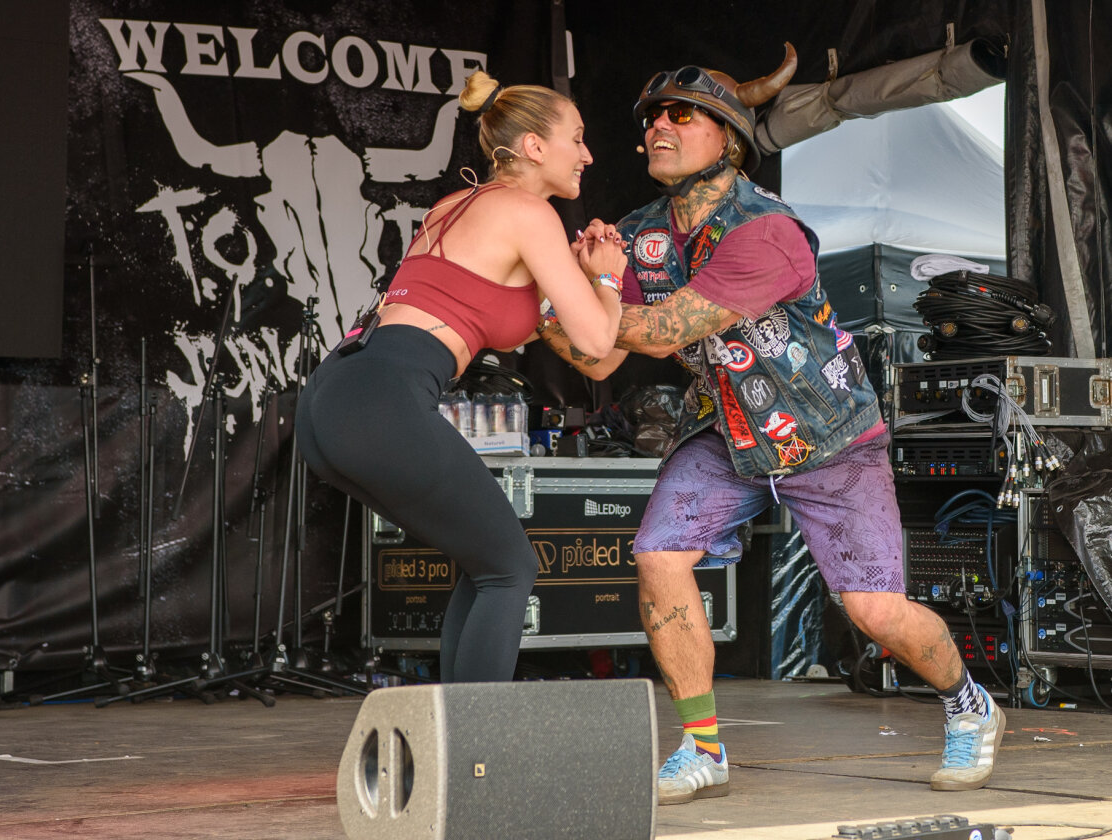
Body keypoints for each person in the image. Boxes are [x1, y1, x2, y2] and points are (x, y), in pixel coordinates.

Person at [540, 45, 1005, 802]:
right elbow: (592, 360)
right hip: (725, 431)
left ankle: (969, 705)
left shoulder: (768, 232)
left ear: (727, 137)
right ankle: (702, 746)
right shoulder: (638, 233)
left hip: (827, 435)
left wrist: (574, 293)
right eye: (652, 116)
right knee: (659, 557)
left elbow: (654, 333)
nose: (659, 125)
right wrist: (555, 300)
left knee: (873, 611)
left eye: (680, 114)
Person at [295, 71, 626, 683]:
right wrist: (606, 276)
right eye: (576, 139)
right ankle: (479, 749)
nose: (588, 154)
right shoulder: (528, 212)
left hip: (335, 397)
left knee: (488, 565)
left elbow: (584, 356)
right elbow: (598, 338)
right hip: (379, 400)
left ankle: (456, 745)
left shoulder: (458, 205)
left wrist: (577, 277)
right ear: (533, 147)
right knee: (510, 568)